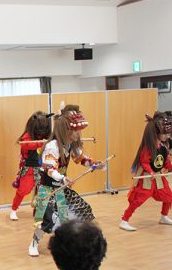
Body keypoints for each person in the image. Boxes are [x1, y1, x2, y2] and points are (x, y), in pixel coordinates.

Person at [28, 105, 105, 257]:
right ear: (66, 130)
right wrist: (63, 178)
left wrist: (95, 164)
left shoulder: (70, 145)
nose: (78, 133)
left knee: (71, 217)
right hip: (47, 190)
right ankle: (34, 243)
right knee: (47, 221)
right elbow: (49, 169)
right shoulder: (52, 146)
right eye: (75, 130)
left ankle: (61, 244)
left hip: (61, 189)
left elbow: (82, 159)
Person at [119, 111, 172, 231]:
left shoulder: (163, 148)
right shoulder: (148, 148)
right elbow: (144, 162)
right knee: (138, 200)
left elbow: (166, 163)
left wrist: (168, 167)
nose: (167, 136)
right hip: (147, 177)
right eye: (164, 134)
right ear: (156, 133)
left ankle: (164, 217)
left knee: (168, 196)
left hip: (157, 177)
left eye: (167, 134)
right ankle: (124, 220)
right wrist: (151, 172)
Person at [10, 111, 52, 221]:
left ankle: (41, 210)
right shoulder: (27, 136)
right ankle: (13, 210)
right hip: (29, 168)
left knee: (44, 190)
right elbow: (27, 146)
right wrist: (41, 143)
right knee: (23, 190)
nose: (41, 131)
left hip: (44, 167)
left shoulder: (48, 136)